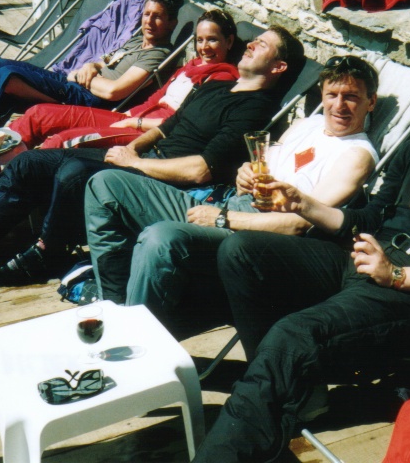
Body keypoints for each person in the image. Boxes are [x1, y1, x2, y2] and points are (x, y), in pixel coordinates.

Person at [191, 42, 410, 462]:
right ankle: (287, 392)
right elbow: (370, 216)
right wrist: (301, 203)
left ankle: (242, 430)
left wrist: (395, 276)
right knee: (242, 251)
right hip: (364, 261)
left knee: (292, 334)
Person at [0, 26, 305, 302]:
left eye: (262, 44)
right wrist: (135, 147)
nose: (251, 43)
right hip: (138, 159)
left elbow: (200, 171)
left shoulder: (256, 109)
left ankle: (46, 253)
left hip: (163, 184)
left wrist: (137, 164)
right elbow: (167, 126)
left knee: (74, 173)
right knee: (30, 164)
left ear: (279, 66)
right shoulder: (217, 86)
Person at [84, 55, 380, 334]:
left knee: (161, 238)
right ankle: (115, 309)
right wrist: (244, 174)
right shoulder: (307, 125)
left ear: (371, 102)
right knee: (105, 184)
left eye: (351, 97)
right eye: (332, 95)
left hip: (255, 238)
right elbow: (261, 167)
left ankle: (133, 339)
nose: (339, 105)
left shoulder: (356, 155)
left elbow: (298, 224)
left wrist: (223, 219)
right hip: (230, 205)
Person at [8, 9, 241, 150]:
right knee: (40, 114)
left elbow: (183, 122)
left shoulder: (221, 79)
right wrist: (128, 115)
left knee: (63, 140)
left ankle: (16, 184)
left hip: (150, 133)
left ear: (229, 42)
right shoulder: (191, 66)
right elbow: (156, 98)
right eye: (200, 40)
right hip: (133, 117)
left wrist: (135, 123)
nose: (204, 47)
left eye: (212, 40)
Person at [0, 0, 180, 127]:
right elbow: (105, 61)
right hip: (75, 84)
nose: (149, 21)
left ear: (172, 23)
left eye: (158, 16)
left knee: (7, 76)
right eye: (146, 14)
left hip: (87, 98)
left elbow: (114, 92)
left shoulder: (157, 54)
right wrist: (91, 65)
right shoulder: (137, 41)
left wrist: (78, 76)